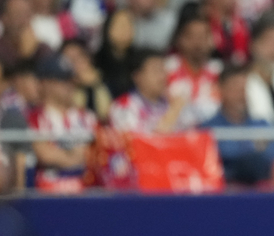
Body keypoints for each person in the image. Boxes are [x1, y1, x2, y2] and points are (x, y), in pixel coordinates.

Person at [201, 64, 274, 189]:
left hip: (263, 195)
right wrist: (254, 148)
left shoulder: (264, 125)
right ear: (221, 90)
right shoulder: (207, 129)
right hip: (224, 196)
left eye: (244, 88)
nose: (241, 94)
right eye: (235, 88)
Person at [28, 55, 96, 193]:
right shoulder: (34, 117)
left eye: (71, 80)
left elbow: (96, 154)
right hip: (49, 189)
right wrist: (77, 156)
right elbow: (45, 155)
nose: (69, 85)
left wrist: (63, 155)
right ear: (45, 83)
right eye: (62, 80)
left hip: (85, 189)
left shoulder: (87, 117)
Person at [110, 49, 184, 134]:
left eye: (163, 70)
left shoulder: (167, 103)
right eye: (156, 71)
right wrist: (173, 112)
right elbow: (139, 143)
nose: (162, 76)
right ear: (137, 76)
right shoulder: (123, 106)